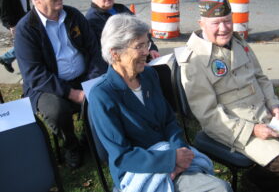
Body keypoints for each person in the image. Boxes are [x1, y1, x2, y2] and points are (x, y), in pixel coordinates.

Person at [88, 13, 232, 192]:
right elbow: (122, 157)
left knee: (220, 188)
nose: (146, 52)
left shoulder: (149, 75)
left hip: (173, 156)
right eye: (138, 46)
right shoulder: (102, 95)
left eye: (146, 44)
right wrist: (170, 161)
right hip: (139, 171)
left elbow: (169, 122)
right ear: (115, 54)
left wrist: (180, 154)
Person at [178, 0, 279, 192]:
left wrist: (274, 104)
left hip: (265, 113)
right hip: (234, 126)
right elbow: (209, 116)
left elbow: (260, 77)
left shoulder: (238, 43)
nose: (224, 28)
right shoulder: (194, 61)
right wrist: (252, 130)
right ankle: (253, 183)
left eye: (227, 21)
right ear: (202, 24)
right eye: (216, 23)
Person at [14, 0, 105, 168]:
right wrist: (73, 94)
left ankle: (88, 139)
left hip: (82, 77)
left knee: (105, 93)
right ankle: (71, 145)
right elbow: (35, 75)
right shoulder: (26, 29)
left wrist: (93, 80)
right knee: (57, 110)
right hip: (47, 86)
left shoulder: (73, 15)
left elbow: (94, 50)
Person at [85, 0, 160, 69]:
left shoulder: (120, 8)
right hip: (122, 64)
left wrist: (152, 49)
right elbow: (105, 52)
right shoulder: (92, 20)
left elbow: (141, 30)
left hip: (140, 54)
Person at [0, 0, 30, 73]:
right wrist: (10, 24)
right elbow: (3, 3)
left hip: (25, 15)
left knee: (28, 42)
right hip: (15, 19)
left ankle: (6, 58)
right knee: (27, 44)